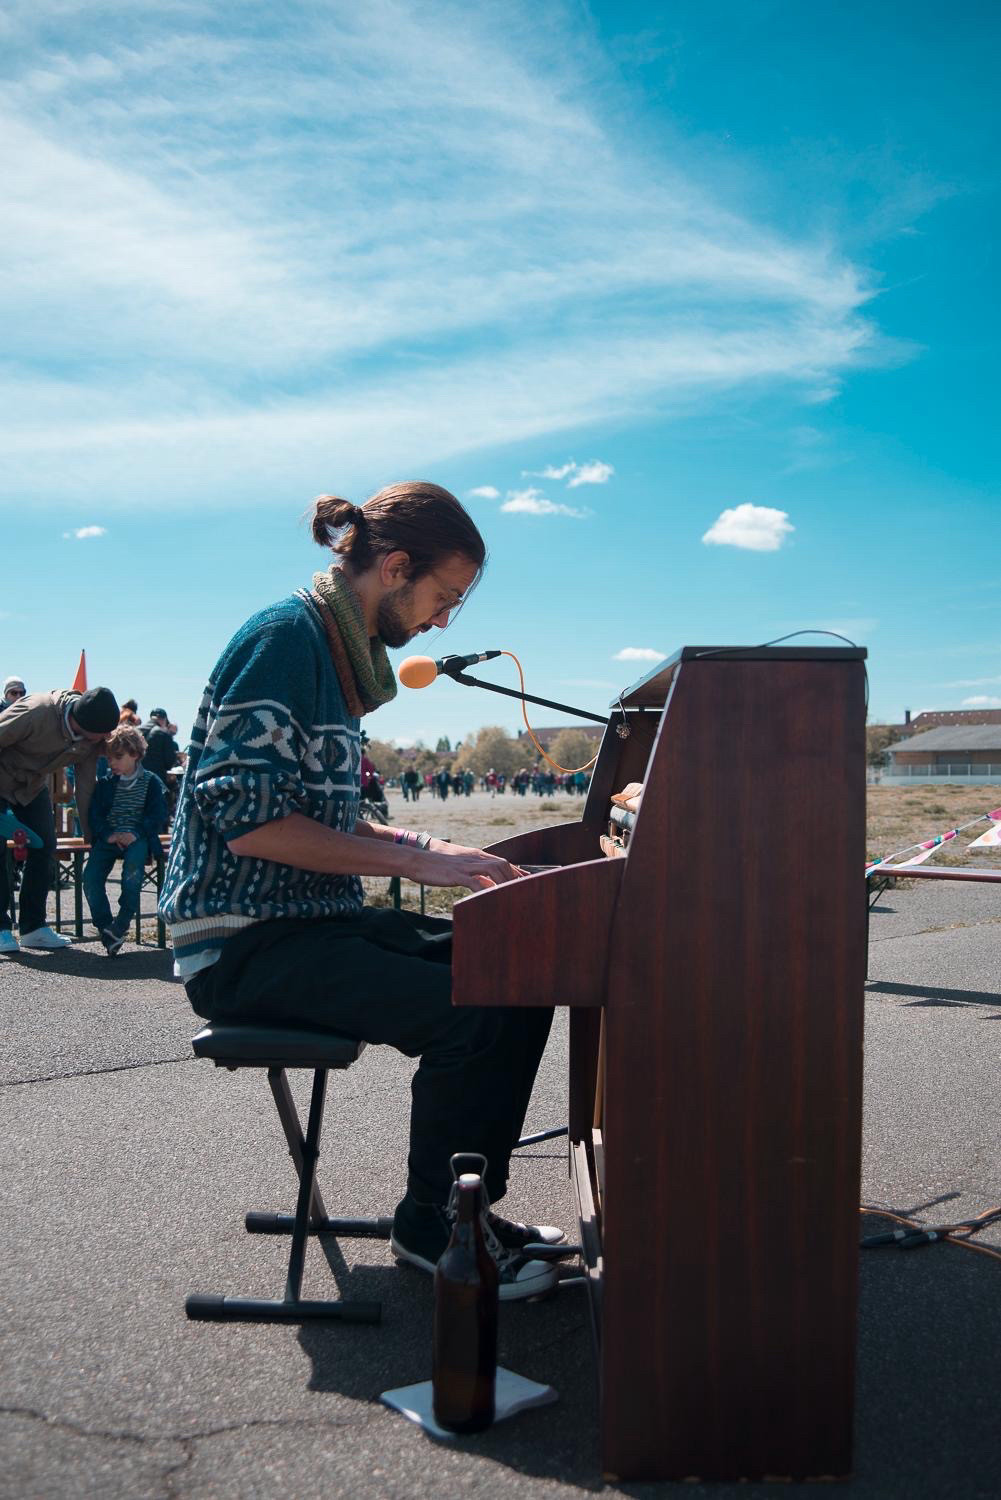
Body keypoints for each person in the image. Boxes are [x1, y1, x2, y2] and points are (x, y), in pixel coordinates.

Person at [160, 482, 563, 1298]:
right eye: (442, 598)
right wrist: (417, 866)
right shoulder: (284, 640)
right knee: (472, 1008)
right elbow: (252, 823)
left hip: (306, 926)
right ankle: (433, 1230)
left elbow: (334, 818)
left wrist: (442, 849)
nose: (443, 622)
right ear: (393, 565)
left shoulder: (335, 654)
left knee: (513, 966)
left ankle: (466, 1210)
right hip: (242, 945)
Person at [0, 685, 120, 953]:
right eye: (103, 732)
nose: (108, 737)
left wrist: (89, 833)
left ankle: (33, 928)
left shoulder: (91, 740)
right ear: (83, 723)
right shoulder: (37, 711)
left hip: (31, 787)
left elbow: (86, 785)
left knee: (45, 846)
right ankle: (0, 928)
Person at [83, 725, 169, 956]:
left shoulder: (151, 782)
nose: (113, 763)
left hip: (137, 836)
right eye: (110, 758)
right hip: (109, 836)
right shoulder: (106, 783)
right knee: (90, 877)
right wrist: (107, 833)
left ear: (136, 754)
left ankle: (121, 924)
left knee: (132, 877)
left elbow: (158, 814)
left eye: (118, 757)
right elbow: (95, 814)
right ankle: (106, 928)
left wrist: (137, 832)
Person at [140, 707, 182, 808]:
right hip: (156, 780)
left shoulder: (136, 731)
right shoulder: (163, 733)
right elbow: (169, 762)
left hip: (135, 780)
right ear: (164, 720)